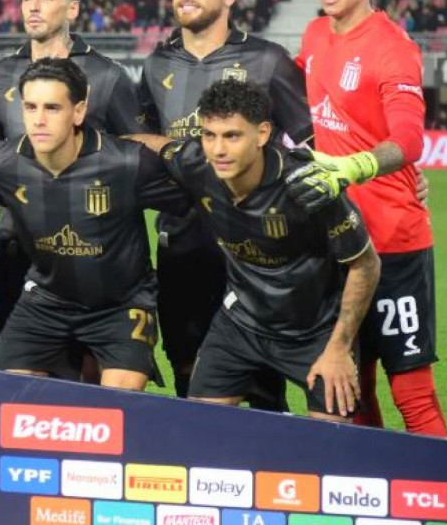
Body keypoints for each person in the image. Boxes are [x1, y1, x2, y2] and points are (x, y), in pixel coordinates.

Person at [136, 79, 380, 420]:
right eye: (209, 135)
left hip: (315, 332)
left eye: (232, 136)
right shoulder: (197, 162)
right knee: (198, 431)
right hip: (240, 324)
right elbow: (154, 143)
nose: (218, 150)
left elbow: (366, 265)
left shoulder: (307, 186)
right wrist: (91, 144)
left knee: (332, 451)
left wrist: (339, 348)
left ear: (263, 134)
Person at [286, 0, 447, 436]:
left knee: (412, 392)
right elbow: (290, 96)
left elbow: (409, 138)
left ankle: (445, 504)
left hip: (394, 240)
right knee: (350, 388)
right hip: (338, 241)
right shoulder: (314, 36)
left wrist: (354, 167)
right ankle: (374, 500)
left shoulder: (392, 48)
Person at [137, 0, 311, 405]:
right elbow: (140, 149)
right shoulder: (156, 65)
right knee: (188, 369)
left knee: (262, 383)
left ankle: (269, 473)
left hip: (257, 249)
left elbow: (316, 146)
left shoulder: (268, 60)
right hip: (182, 244)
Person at [0, 58, 189, 387]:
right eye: (30, 107)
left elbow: (194, 197)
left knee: (117, 406)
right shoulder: (4, 163)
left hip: (120, 306)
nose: (39, 120)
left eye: (52, 108)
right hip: (45, 301)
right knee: (5, 397)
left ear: (78, 111)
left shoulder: (127, 163)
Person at [0, 0, 148, 331]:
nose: (33, 7)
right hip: (16, 237)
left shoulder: (106, 75)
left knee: (85, 374)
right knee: (16, 371)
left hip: (91, 246)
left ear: (72, 8)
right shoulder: (3, 71)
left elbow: (136, 153)